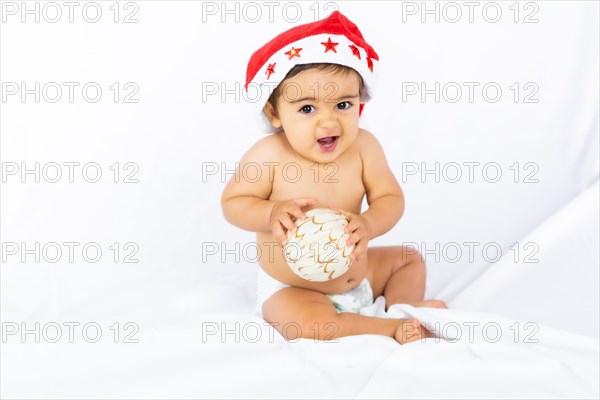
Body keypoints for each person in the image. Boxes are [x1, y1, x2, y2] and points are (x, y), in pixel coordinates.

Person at [221, 11, 447, 344]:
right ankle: (388, 328)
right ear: (274, 113)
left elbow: (390, 198)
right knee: (310, 327)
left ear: (360, 103)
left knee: (407, 259)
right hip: (294, 288)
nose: (329, 123)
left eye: (342, 104)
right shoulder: (268, 155)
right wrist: (270, 213)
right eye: (308, 109)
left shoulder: (364, 148)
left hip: (358, 274)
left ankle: (403, 308)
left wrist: (368, 224)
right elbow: (233, 203)